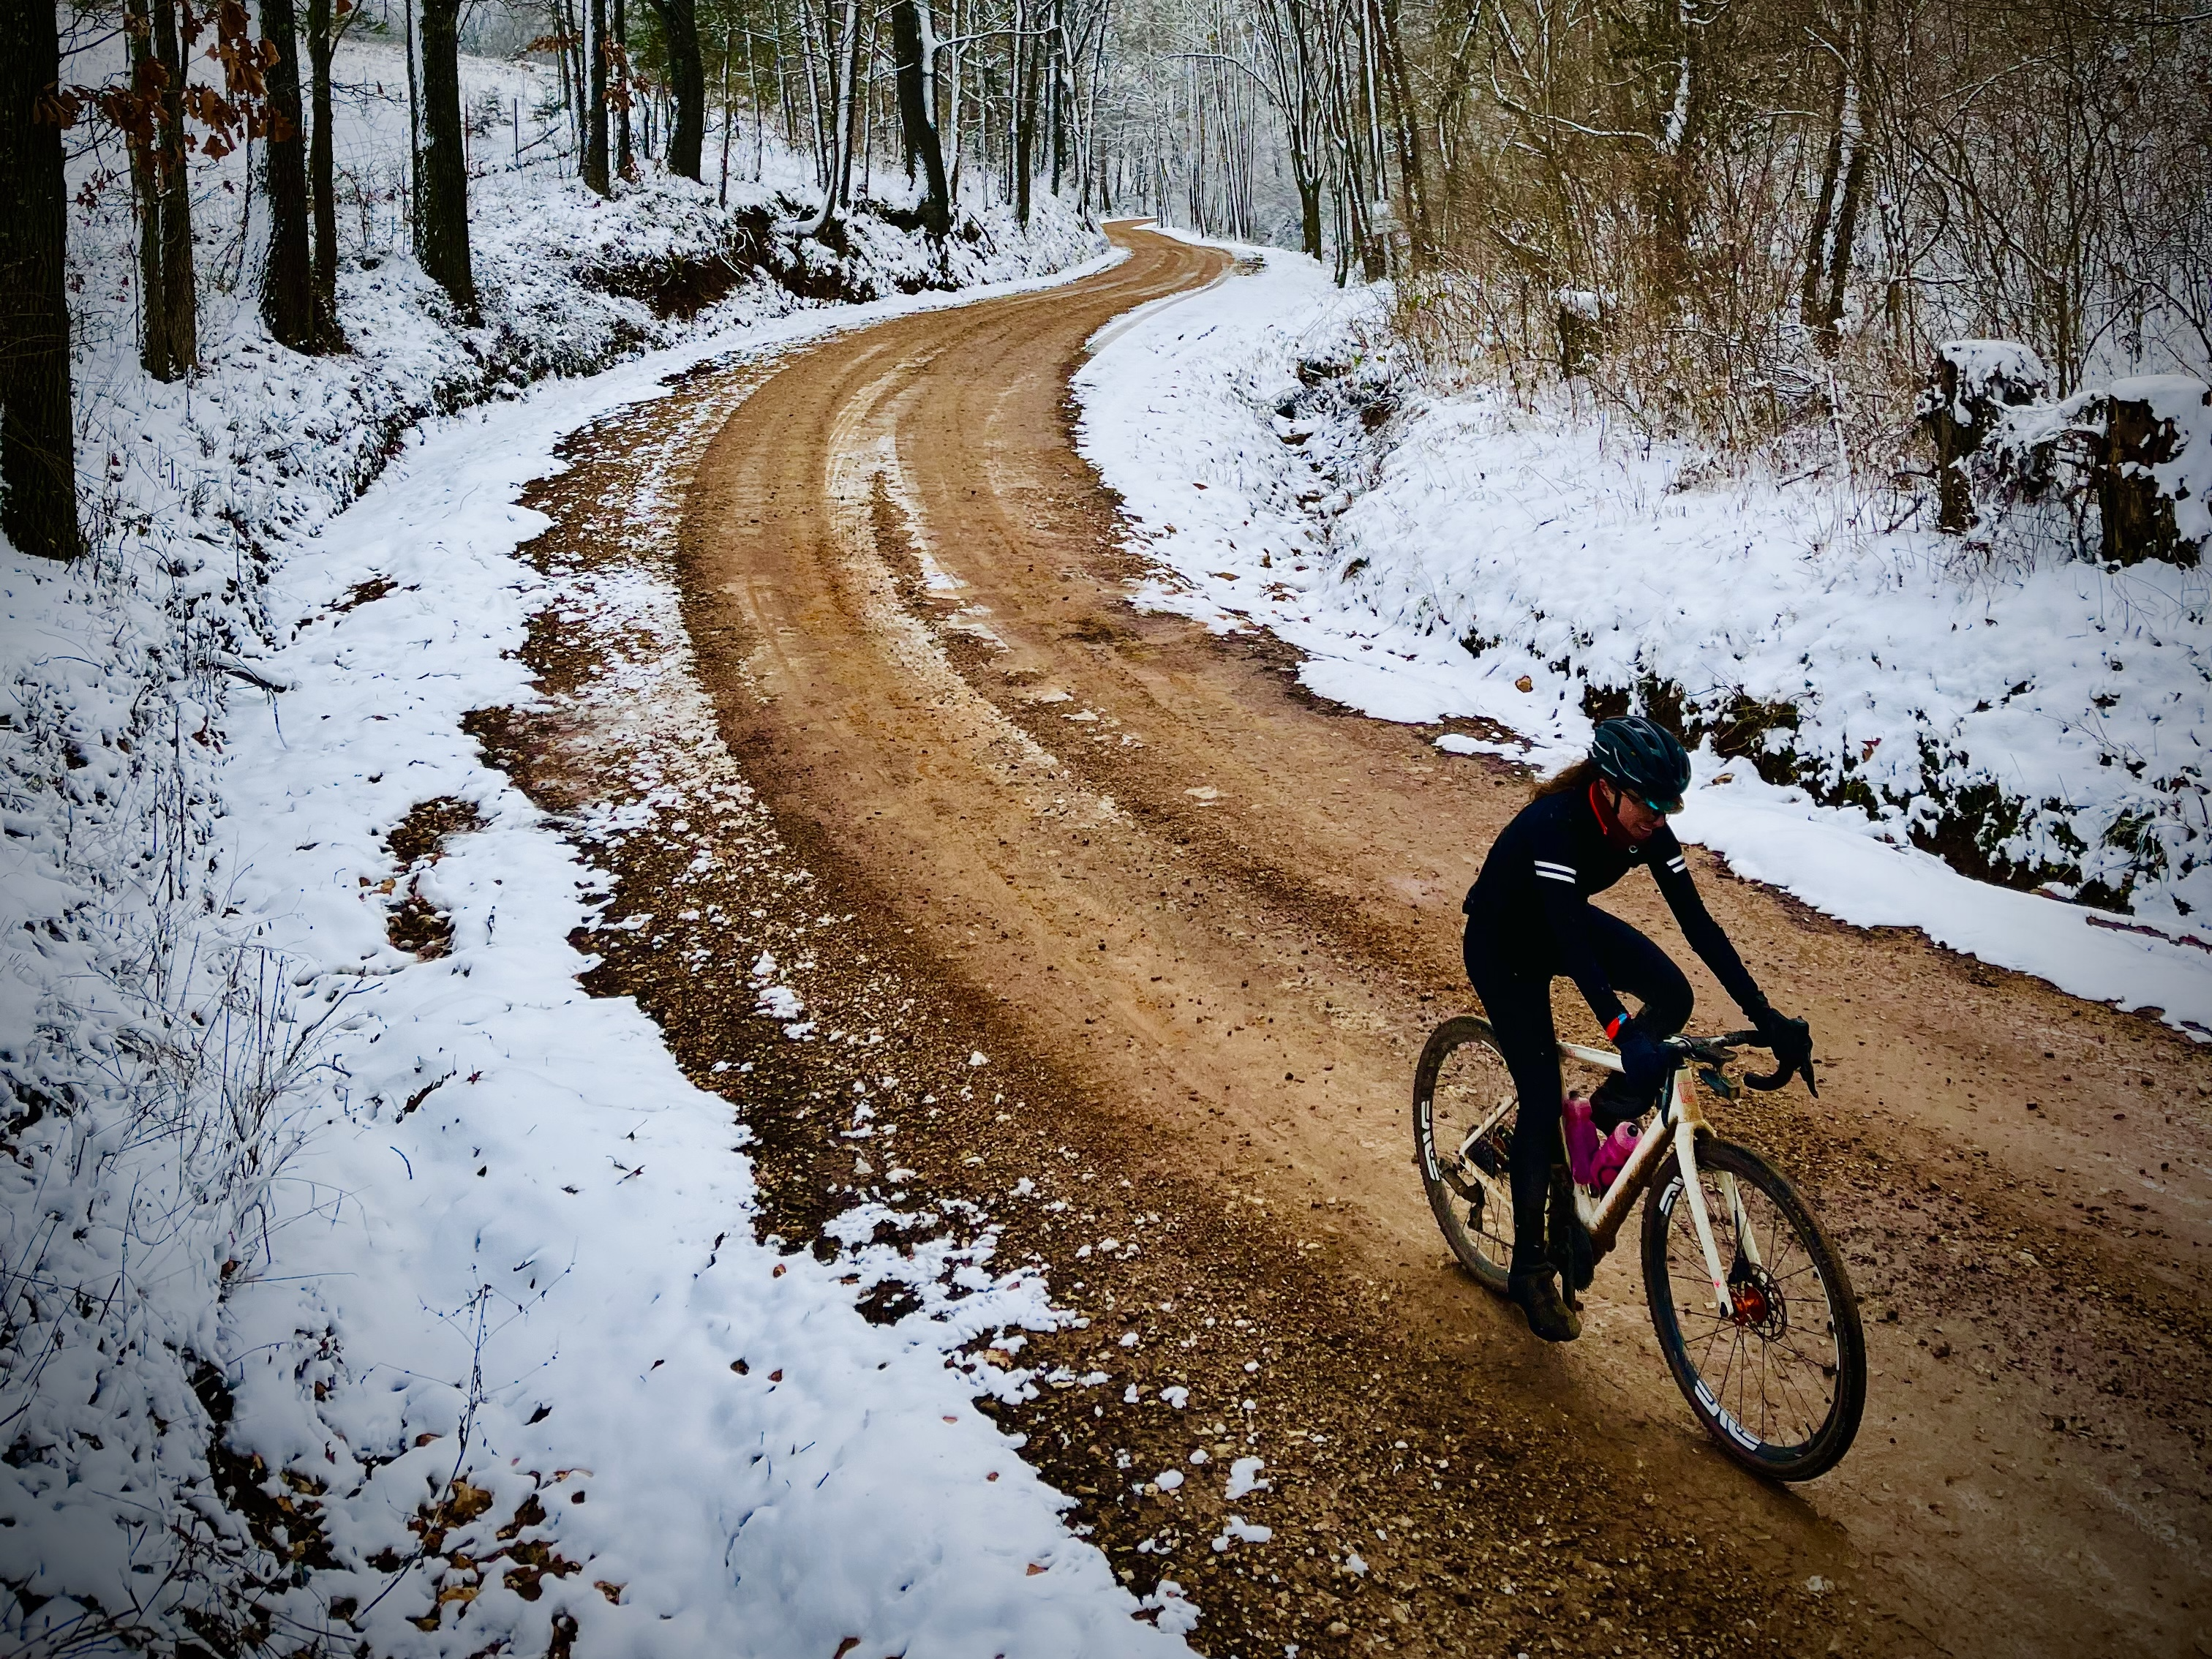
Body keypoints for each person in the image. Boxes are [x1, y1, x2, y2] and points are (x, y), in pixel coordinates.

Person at [1460, 715, 1812, 1342]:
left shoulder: (1647, 831)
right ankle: (1528, 1270)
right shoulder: (1557, 825)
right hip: (1503, 945)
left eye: (1670, 805)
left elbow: (1700, 928)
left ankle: (1590, 1135)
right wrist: (1624, 1035)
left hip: (1557, 927)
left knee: (1674, 993)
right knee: (1541, 1095)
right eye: (1651, 804)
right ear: (1610, 787)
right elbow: (1573, 945)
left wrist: (1769, 1018)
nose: (1661, 817)